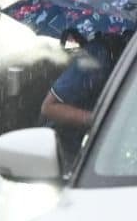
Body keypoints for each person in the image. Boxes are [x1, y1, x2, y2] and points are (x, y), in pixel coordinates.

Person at [40, 33, 129, 163]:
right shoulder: (98, 54)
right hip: (65, 151)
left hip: (108, 150)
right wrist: (101, 119)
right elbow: (49, 108)